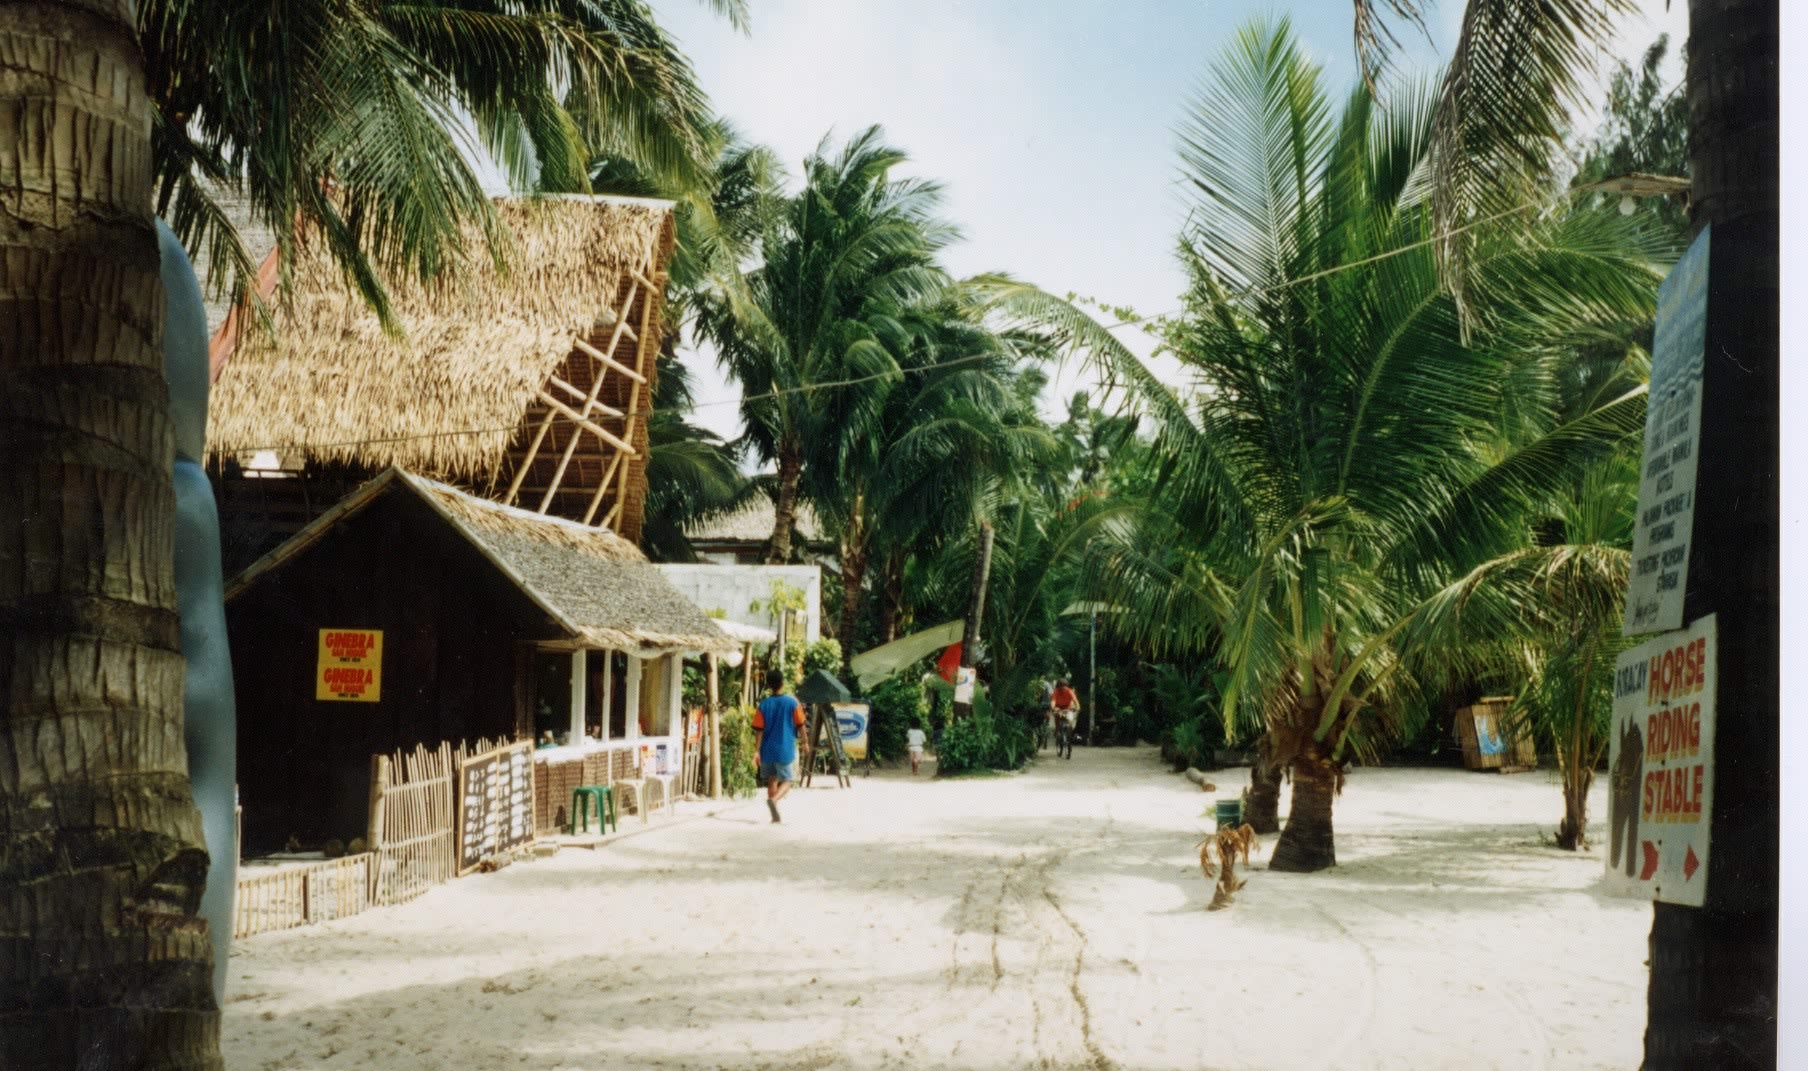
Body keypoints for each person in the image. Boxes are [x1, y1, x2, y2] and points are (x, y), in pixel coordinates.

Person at [751, 669, 806, 823]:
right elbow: (801, 725)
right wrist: (805, 743)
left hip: (767, 750)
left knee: (772, 780)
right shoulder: (792, 702)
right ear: (782, 683)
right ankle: (774, 801)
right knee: (788, 780)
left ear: (768, 685)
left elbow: (759, 731)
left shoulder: (764, 705)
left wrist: (756, 751)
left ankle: (774, 817)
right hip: (784, 749)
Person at [1051, 679, 1078, 760]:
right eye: (1061, 686)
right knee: (1058, 722)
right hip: (1058, 708)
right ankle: (1058, 733)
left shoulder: (1069, 691)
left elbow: (1075, 701)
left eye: (1064, 686)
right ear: (1058, 687)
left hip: (1067, 709)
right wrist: (1053, 708)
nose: (1063, 688)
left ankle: (1069, 735)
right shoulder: (1056, 692)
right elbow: (1053, 701)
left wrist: (1077, 707)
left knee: (1070, 722)